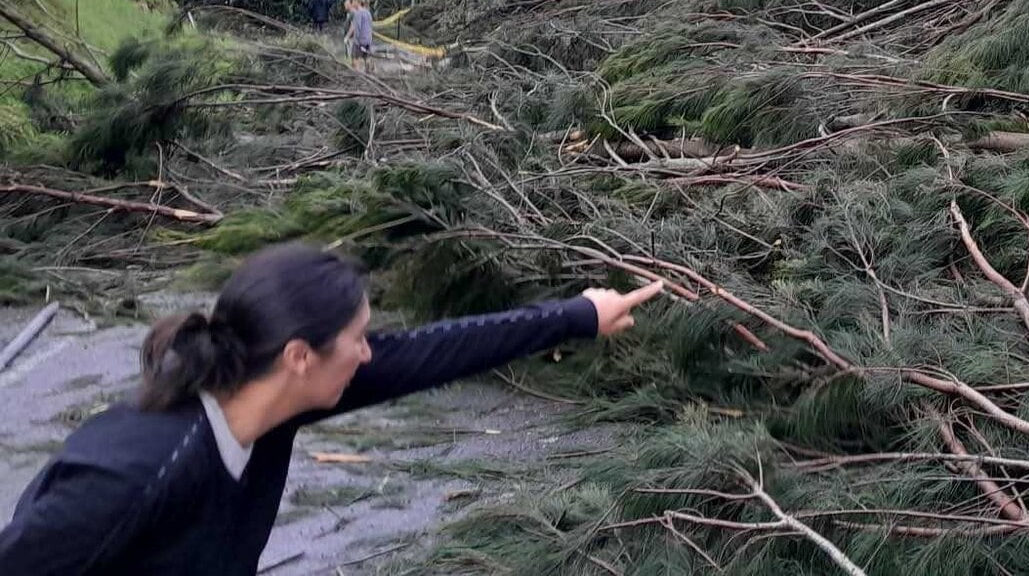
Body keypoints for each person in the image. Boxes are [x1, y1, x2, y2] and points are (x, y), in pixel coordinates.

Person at [0, 242, 664, 575]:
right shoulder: (137, 472)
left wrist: (578, 316)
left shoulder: (267, 405)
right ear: (298, 355)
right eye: (356, 339)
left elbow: (429, 352)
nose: (368, 354)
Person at [343, 0, 374, 71]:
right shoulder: (367, 12)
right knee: (367, 57)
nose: (352, 3)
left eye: (353, 2)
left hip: (359, 40)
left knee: (355, 58)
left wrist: (355, 40)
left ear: (357, 3)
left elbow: (357, 27)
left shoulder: (358, 13)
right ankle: (368, 72)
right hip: (368, 39)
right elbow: (371, 25)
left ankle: (358, 75)